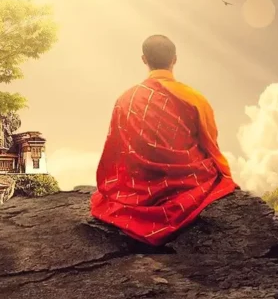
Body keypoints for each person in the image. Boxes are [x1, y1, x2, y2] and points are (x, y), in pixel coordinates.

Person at [90, 35, 237, 246]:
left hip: (135, 187)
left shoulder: (126, 99)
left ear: (144, 59)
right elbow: (210, 144)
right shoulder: (194, 97)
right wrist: (225, 174)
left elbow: (114, 150)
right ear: (174, 59)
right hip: (187, 181)